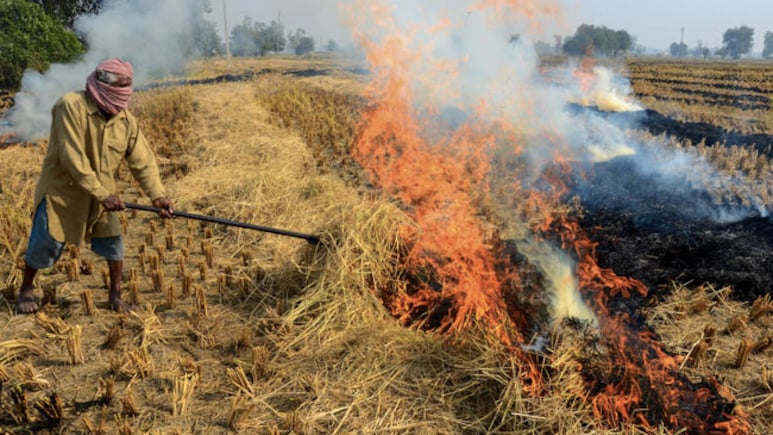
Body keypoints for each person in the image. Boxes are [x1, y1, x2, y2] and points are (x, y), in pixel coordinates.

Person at [16, 57, 174, 314]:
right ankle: (26, 289)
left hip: (102, 195)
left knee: (114, 245)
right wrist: (102, 193)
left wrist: (158, 196)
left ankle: (115, 297)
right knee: (44, 242)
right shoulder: (70, 106)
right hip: (62, 192)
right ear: (100, 87)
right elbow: (72, 157)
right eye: (117, 88)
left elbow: (142, 161)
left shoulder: (126, 121)